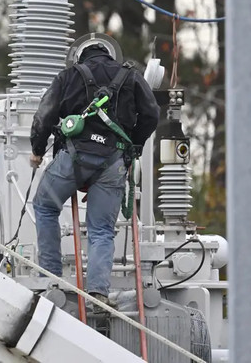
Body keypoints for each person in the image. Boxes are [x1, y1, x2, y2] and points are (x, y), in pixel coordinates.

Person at [29, 36, 160, 307]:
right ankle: (98, 292)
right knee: (101, 230)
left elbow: (45, 115)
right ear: (111, 54)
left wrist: (37, 150)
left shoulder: (68, 76)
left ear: (79, 57)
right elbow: (151, 114)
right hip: (113, 162)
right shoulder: (132, 76)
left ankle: (51, 278)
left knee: (45, 207)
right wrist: (134, 144)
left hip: (73, 159)